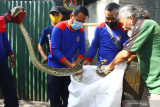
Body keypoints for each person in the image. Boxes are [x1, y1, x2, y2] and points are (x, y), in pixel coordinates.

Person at [104, 5, 160, 105]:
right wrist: (131, 58)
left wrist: (110, 66)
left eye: (123, 22)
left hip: (157, 85)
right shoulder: (144, 26)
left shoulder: (145, 24)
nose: (123, 27)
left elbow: (125, 54)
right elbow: (146, 54)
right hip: (150, 83)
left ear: (130, 18)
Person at [47, 5, 89, 107]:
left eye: (83, 22)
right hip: (55, 69)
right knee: (55, 98)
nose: (80, 24)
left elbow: (82, 49)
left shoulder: (81, 31)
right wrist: (70, 65)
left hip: (69, 70)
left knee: (68, 98)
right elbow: (55, 50)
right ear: (71, 16)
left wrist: (76, 62)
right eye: (78, 20)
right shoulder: (59, 28)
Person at [0, 6, 26, 107]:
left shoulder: (2, 22)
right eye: (21, 16)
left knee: (9, 86)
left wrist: (11, 55)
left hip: (2, 60)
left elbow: (5, 41)